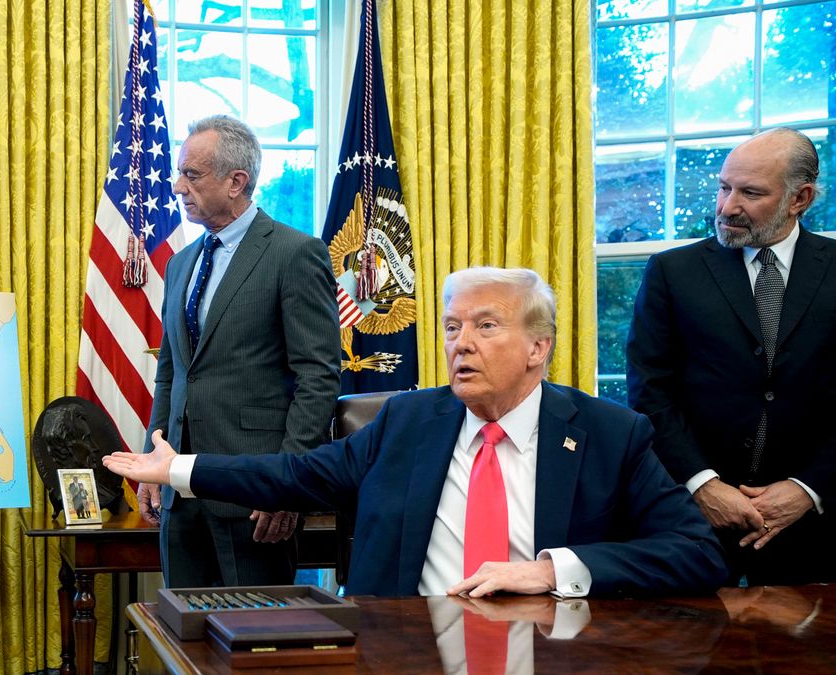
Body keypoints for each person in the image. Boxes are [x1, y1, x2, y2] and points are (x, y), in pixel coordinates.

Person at [111, 267, 726, 596]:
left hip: (549, 649)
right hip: (405, 646)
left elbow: (697, 553)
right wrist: (177, 470)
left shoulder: (609, 434)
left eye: (486, 326)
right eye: (453, 326)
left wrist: (550, 571)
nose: (461, 344)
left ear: (540, 347)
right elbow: (298, 474)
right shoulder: (407, 420)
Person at [626, 128, 833, 585]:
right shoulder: (672, 272)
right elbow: (648, 391)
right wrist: (703, 484)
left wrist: (807, 489)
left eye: (750, 193)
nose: (727, 207)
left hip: (817, 529)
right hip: (691, 523)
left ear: (799, 198)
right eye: (724, 187)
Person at [141, 114, 341, 587]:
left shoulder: (295, 254)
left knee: (254, 645)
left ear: (237, 182)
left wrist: (286, 485)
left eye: (191, 174)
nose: (176, 185)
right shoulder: (181, 264)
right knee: (184, 643)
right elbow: (170, 375)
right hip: (180, 494)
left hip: (255, 498)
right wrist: (155, 463)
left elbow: (318, 377)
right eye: (177, 172)